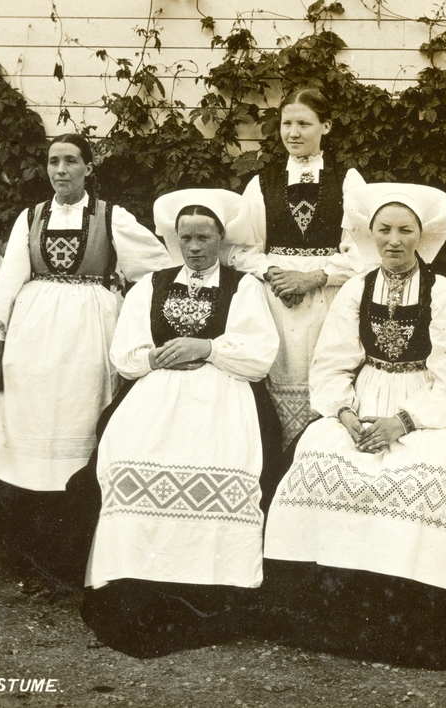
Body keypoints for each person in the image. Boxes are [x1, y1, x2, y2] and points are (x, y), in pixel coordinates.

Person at [262, 182, 446, 665]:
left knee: (428, 470)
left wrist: (401, 423)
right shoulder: (356, 290)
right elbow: (331, 364)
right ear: (371, 233)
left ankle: (409, 606)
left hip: (422, 410)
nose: (394, 240)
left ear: (421, 237)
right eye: (384, 229)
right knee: (319, 458)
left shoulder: (443, 294)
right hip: (360, 403)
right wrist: (344, 414)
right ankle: (335, 605)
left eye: (406, 230)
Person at [68, 188, 280, 655]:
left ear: (222, 238)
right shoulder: (151, 285)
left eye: (205, 237)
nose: (196, 247)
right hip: (156, 396)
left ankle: (215, 584)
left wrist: (206, 348)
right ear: (176, 239)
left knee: (224, 458)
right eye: (186, 237)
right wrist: (161, 355)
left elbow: (260, 355)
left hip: (224, 396)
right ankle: (134, 572)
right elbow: (125, 355)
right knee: (126, 456)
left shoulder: (243, 286)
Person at [0, 133, 173, 590]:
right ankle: (23, 554)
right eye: (53, 162)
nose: (60, 170)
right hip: (30, 346)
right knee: (26, 433)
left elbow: (159, 271)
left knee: (82, 428)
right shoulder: (29, 219)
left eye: (70, 161)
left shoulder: (111, 218)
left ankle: (73, 556)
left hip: (88, 343)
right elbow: (7, 285)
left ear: (89, 168)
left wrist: (124, 305)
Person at [229, 88, 364, 446]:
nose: (293, 132)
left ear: (327, 126)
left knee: (329, 377)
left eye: (304, 123)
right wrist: (273, 273)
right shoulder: (262, 182)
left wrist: (314, 277)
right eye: (287, 123)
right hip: (277, 302)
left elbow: (364, 252)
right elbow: (241, 249)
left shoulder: (347, 180)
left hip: (328, 301)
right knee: (277, 382)